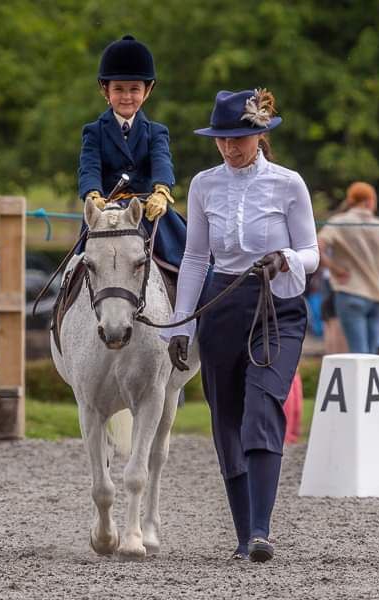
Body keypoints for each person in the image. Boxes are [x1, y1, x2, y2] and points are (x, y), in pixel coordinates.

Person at [163, 89, 319, 562]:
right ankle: (241, 534)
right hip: (223, 305)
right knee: (226, 416)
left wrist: (286, 257)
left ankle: (261, 530)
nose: (231, 147)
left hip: (278, 307)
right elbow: (194, 259)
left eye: (240, 138)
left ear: (259, 134)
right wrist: (179, 326)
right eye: (223, 139)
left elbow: (312, 253)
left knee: (262, 406)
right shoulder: (203, 185)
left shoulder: (289, 184)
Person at [77, 35, 186, 263]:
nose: (127, 97)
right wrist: (92, 194)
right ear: (105, 90)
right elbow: (89, 167)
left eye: (134, 89)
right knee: (77, 267)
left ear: (148, 90)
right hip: (106, 211)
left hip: (147, 210)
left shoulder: (156, 131)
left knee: (191, 261)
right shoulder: (94, 131)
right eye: (119, 89)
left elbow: (161, 160)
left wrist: (161, 191)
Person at [318, 182, 379, 354]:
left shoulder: (339, 223)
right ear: (369, 201)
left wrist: (334, 268)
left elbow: (316, 247)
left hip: (350, 292)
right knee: (372, 354)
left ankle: (357, 382)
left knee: (358, 352)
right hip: (377, 296)